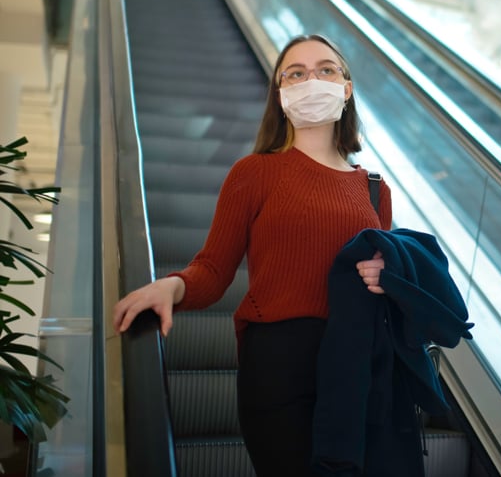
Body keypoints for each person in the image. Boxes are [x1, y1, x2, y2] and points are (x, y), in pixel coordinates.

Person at [112, 34, 392, 476]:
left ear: (346, 87)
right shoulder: (254, 173)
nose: (311, 79)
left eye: (326, 69)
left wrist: (386, 276)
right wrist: (173, 284)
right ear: (281, 95)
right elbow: (213, 268)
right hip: (278, 361)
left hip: (355, 362)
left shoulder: (375, 190)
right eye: (295, 73)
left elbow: (384, 282)